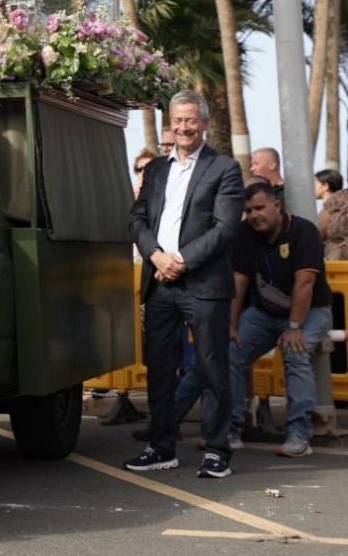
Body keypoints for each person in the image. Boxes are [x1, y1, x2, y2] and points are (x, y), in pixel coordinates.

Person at [125, 90, 245, 479]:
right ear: (169, 124)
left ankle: (216, 450)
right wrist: (156, 255)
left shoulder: (224, 169)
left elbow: (226, 229)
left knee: (212, 368)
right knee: (160, 368)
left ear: (205, 123)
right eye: (177, 121)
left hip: (204, 283)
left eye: (191, 120)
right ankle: (161, 446)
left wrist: (182, 260)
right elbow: (137, 219)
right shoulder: (156, 169)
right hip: (160, 282)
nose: (183, 127)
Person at [228, 180, 333, 458]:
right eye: (248, 210)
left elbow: (305, 284)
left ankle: (299, 436)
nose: (254, 216)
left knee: (295, 353)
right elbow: (239, 280)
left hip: (310, 311)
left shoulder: (303, 231)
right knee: (231, 351)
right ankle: (231, 430)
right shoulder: (244, 233)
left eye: (260, 208)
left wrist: (294, 327)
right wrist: (231, 324)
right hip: (264, 312)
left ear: (277, 205)